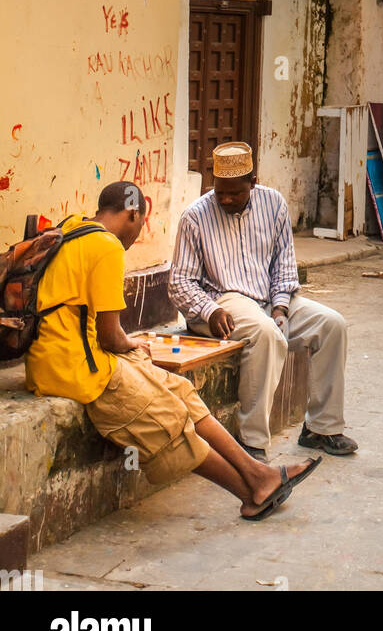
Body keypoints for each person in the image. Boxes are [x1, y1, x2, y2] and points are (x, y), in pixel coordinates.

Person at [25, 181, 319, 520]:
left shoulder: (74, 226)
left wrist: (129, 346)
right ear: (133, 213)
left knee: (180, 390)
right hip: (76, 371)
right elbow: (111, 338)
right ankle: (252, 488)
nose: (136, 236)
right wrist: (133, 344)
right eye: (141, 224)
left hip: (59, 358)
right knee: (171, 422)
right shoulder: (106, 247)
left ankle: (259, 473)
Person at [169, 143, 357, 462]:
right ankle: (251, 442)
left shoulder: (274, 204)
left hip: (268, 298)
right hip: (220, 301)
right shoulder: (195, 216)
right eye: (220, 192)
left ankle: (321, 429)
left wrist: (282, 306)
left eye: (235, 193)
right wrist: (208, 310)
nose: (226, 199)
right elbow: (179, 282)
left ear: (252, 182)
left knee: (331, 324)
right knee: (265, 333)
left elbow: (284, 262)